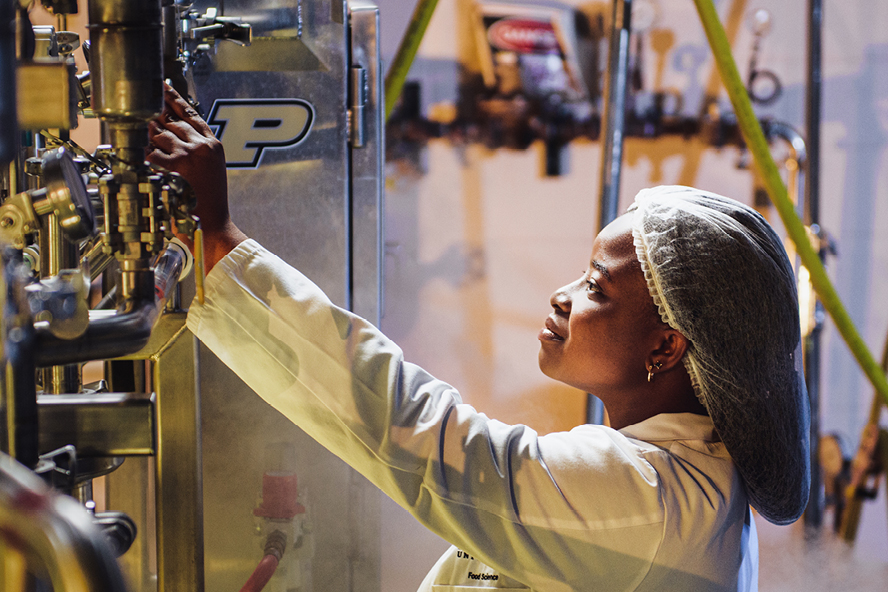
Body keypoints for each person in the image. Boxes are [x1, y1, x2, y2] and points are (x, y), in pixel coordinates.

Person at [147, 86, 810, 592]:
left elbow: (420, 434)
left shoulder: (655, 503)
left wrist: (218, 241)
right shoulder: (681, 478)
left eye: (597, 290)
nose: (562, 295)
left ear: (666, 348)